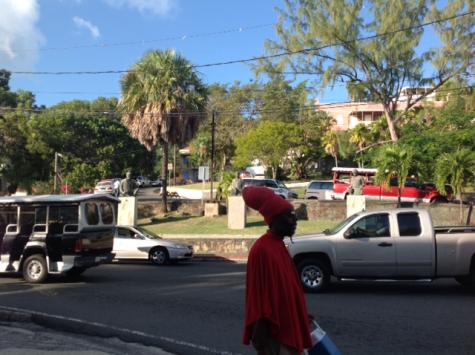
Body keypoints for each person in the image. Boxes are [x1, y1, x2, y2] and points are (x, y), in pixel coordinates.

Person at [242, 186, 312, 355]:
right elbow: (258, 296)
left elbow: (287, 289)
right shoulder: (261, 249)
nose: (294, 221)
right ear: (275, 219)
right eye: (289, 216)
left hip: (288, 323)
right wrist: (262, 336)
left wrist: (300, 314)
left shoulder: (279, 245)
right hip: (275, 334)